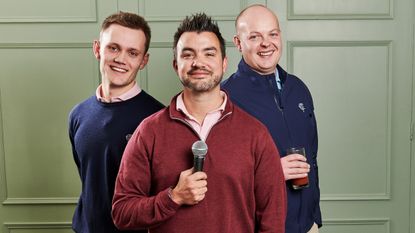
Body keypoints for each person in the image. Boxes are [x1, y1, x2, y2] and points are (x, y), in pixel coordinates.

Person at [111, 13, 286, 233]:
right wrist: (173, 197)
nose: (198, 62)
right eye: (188, 54)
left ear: (223, 63)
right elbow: (122, 212)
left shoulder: (255, 134)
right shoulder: (149, 131)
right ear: (176, 65)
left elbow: (273, 220)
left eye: (209, 53)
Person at [221, 4, 322, 233]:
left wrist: (315, 217)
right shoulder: (225, 98)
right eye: (255, 37)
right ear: (238, 43)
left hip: (307, 226)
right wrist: (271, 172)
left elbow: (313, 157)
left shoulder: (298, 88)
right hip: (259, 227)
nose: (266, 43)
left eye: (272, 34)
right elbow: (218, 175)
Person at [68, 11, 164, 233]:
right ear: (97, 49)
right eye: (113, 48)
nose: (121, 59)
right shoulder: (78, 115)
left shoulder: (158, 119)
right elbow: (89, 179)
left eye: (132, 52)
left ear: (143, 61)